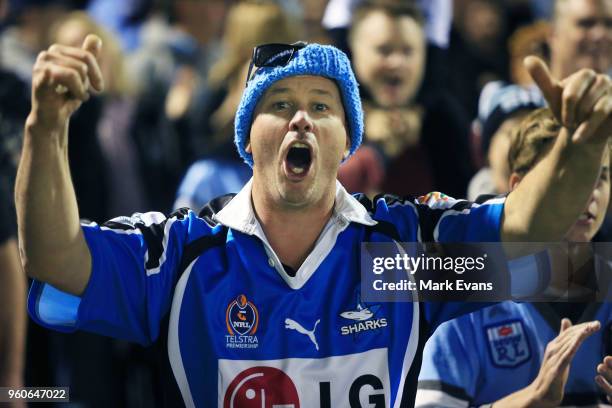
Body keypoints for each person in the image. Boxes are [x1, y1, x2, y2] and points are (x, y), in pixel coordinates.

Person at [16, 32, 612, 406]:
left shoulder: (397, 261)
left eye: (321, 107)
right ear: (248, 137)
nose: (300, 119)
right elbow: (54, 258)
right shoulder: (184, 258)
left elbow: (524, 235)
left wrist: (581, 150)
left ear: (347, 140)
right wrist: (45, 129)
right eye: (280, 105)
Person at [416, 108, 612, 407]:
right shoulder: (461, 295)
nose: (588, 192)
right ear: (520, 189)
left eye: (601, 177)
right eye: (568, 176)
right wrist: (530, 400)